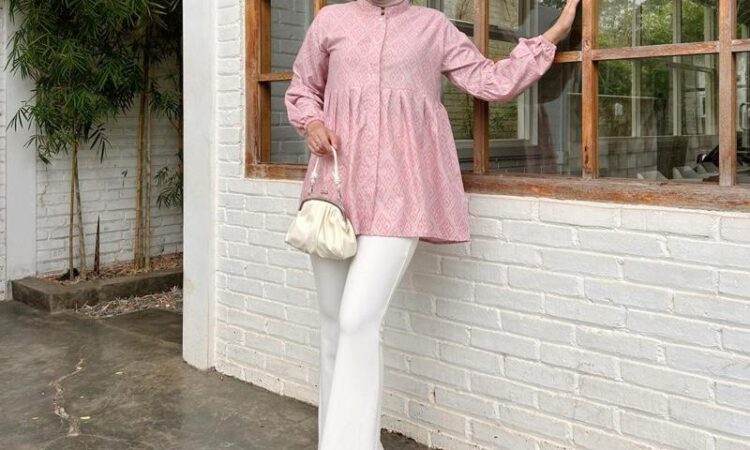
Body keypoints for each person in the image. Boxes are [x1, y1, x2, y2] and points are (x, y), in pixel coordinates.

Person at [284, 0, 579, 448]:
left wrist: (552, 34)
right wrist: (311, 121)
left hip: (400, 195)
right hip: (334, 193)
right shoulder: (331, 20)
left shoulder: (432, 27)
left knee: (356, 320)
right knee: (332, 326)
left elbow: (489, 80)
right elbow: (303, 86)